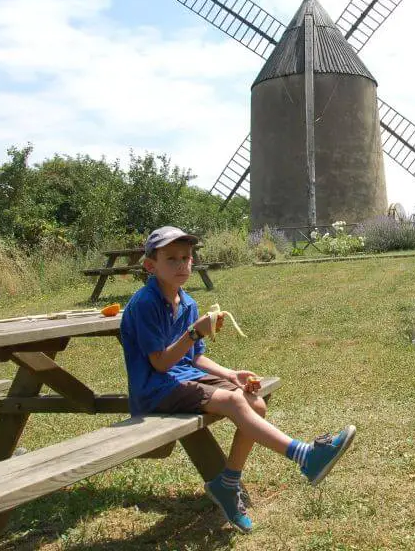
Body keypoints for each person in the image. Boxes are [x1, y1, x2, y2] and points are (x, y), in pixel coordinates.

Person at [120, 226, 357, 534]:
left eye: (186, 257)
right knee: (234, 400)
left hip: (183, 380)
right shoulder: (145, 304)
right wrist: (194, 332)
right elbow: (162, 363)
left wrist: (231, 374)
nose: (182, 265)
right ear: (151, 266)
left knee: (253, 403)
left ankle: (227, 484)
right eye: (171, 259)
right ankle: (306, 456)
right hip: (154, 390)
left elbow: (195, 359)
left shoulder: (188, 302)